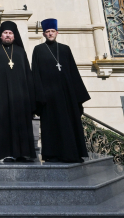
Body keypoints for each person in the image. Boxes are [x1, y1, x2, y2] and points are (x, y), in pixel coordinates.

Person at [31, 18, 90, 163]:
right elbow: (35, 74)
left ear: (57, 32)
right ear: (44, 34)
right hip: (48, 97)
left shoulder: (65, 49)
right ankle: (52, 155)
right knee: (51, 127)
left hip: (66, 95)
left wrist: (78, 96)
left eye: (52, 31)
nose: (50, 34)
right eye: (47, 31)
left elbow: (74, 72)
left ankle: (73, 154)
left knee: (69, 124)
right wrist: (39, 96)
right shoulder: (38, 50)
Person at [0, 21, 36, 162]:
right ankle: (5, 154)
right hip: (2, 97)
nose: (7, 35)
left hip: (21, 96)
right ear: (0, 36)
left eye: (10, 33)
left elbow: (28, 74)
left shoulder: (20, 51)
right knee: (3, 124)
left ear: (14, 36)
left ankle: (23, 153)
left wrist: (31, 95)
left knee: (22, 123)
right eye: (5, 33)